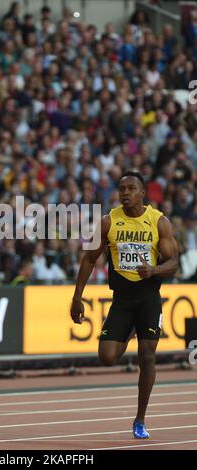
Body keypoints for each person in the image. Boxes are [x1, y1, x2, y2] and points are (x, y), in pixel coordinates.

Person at [70, 171, 178, 439]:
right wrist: (77, 297)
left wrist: (153, 270)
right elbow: (88, 259)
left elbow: (173, 262)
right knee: (107, 357)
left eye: (131, 188)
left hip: (149, 298)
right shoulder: (108, 222)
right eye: (122, 189)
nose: (125, 193)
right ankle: (131, 331)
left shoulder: (158, 221)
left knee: (147, 356)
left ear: (143, 193)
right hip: (123, 299)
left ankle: (140, 419)